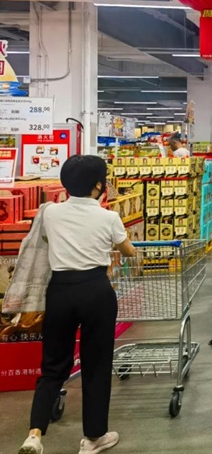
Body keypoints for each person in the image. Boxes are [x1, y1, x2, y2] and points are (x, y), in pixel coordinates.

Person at [18, 155, 136, 454]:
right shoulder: (108, 217)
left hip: (60, 291)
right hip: (96, 291)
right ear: (98, 185)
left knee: (53, 365)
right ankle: (93, 438)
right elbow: (129, 250)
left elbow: (46, 239)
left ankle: (34, 434)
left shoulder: (50, 213)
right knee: (96, 365)